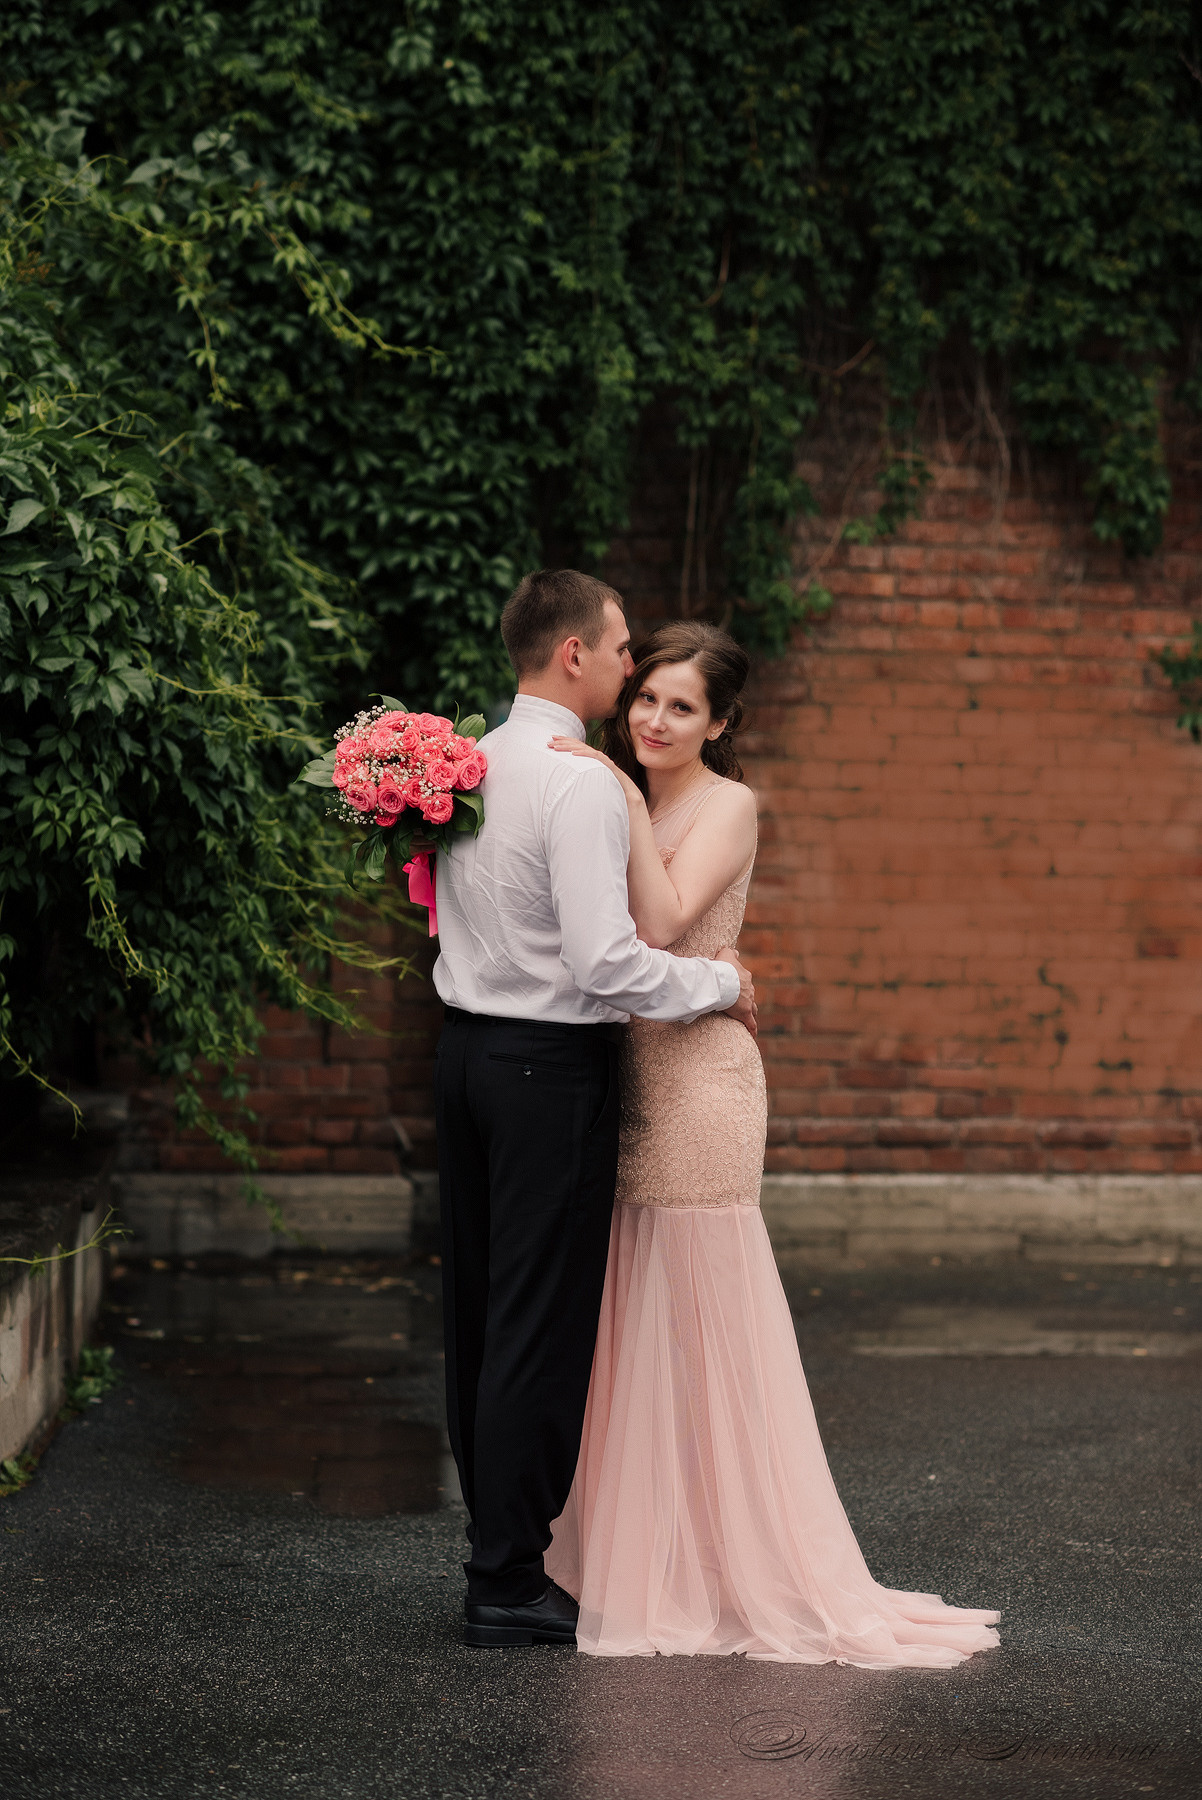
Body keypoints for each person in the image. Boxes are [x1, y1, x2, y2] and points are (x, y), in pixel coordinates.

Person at [543, 620, 1001, 1667]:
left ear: (721, 723)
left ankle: (730, 1569)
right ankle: (627, 1558)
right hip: (614, 1075)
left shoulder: (723, 803)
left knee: (694, 1305)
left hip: (699, 1077)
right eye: (646, 696)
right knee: (625, 1310)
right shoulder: (607, 784)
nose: (654, 720)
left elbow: (655, 928)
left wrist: (615, 793)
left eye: (681, 707)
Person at [432, 571, 756, 1649]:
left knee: (478, 1315)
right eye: (621, 651)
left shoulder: (470, 761)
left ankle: (498, 1554)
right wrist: (719, 987)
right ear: (572, 654)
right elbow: (607, 963)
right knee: (535, 1324)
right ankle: (509, 1578)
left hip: (465, 1057)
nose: (630, 670)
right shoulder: (576, 786)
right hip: (544, 1069)